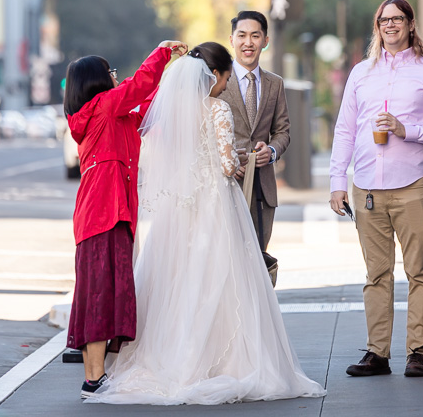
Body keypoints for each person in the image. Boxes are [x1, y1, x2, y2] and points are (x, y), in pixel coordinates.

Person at [90, 42, 325, 405]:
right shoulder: (218, 109)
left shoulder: (173, 113)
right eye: (226, 76)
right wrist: (244, 162)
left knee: (176, 280)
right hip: (215, 202)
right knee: (222, 278)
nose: (226, 83)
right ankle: (225, 362)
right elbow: (228, 164)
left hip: (179, 208)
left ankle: (170, 359)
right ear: (215, 75)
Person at [330, 0, 423, 378]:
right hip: (367, 185)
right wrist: (339, 181)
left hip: (413, 185)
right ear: (377, 26)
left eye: (397, 19)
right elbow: (345, 130)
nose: (390, 25)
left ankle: (417, 353)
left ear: (410, 24)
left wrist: (409, 130)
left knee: (419, 270)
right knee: (376, 274)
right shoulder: (361, 73)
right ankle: (377, 353)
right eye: (384, 19)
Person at [64, 40, 187, 399]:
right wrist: (162, 53)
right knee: (101, 294)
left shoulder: (108, 116)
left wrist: (169, 85)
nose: (116, 77)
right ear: (95, 82)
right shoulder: (102, 108)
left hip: (103, 214)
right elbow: (139, 86)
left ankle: (93, 377)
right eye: (109, 72)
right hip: (106, 213)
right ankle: (94, 377)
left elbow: (146, 115)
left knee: (96, 294)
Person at [224, 11, 290, 251]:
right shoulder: (216, 81)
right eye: (242, 35)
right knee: (229, 258)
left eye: (255, 35)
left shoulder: (275, 83)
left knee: (258, 259)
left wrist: (271, 151)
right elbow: (202, 133)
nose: (248, 42)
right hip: (227, 184)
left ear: (265, 40)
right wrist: (227, 161)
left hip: (263, 189)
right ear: (232, 40)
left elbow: (282, 130)